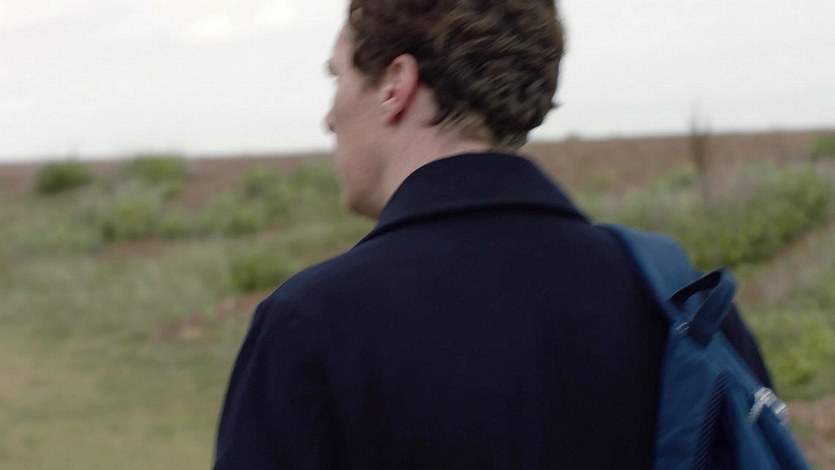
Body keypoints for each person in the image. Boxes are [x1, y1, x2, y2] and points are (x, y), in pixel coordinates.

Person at [214, 1, 772, 468]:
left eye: (337, 76)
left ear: (395, 85)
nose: (329, 117)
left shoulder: (312, 324)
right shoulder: (683, 307)